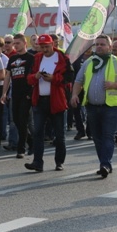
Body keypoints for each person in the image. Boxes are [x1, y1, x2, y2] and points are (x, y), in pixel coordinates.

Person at [71, 35, 117, 178]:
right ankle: (103, 162)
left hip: (111, 106)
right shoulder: (89, 63)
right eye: (97, 44)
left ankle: (105, 164)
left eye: (102, 44)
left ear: (109, 47)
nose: (99, 46)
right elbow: (79, 81)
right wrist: (74, 95)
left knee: (108, 136)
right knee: (97, 137)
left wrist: (114, 85)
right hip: (92, 106)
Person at [25, 34, 72, 172]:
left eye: (47, 46)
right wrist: (36, 76)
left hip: (56, 100)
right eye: (42, 47)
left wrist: (54, 78)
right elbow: (28, 78)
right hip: (40, 100)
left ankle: (59, 162)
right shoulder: (37, 58)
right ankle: (37, 162)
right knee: (38, 132)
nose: (45, 49)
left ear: (53, 45)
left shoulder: (62, 57)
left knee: (59, 134)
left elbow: (69, 76)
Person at [1, 33, 35, 159]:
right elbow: (7, 77)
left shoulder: (31, 58)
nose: (15, 45)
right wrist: (4, 93)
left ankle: (21, 149)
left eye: (17, 43)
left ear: (24, 43)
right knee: (16, 121)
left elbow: (34, 77)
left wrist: (30, 94)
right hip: (14, 94)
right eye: (14, 43)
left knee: (23, 120)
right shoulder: (12, 59)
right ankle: (31, 142)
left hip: (26, 95)